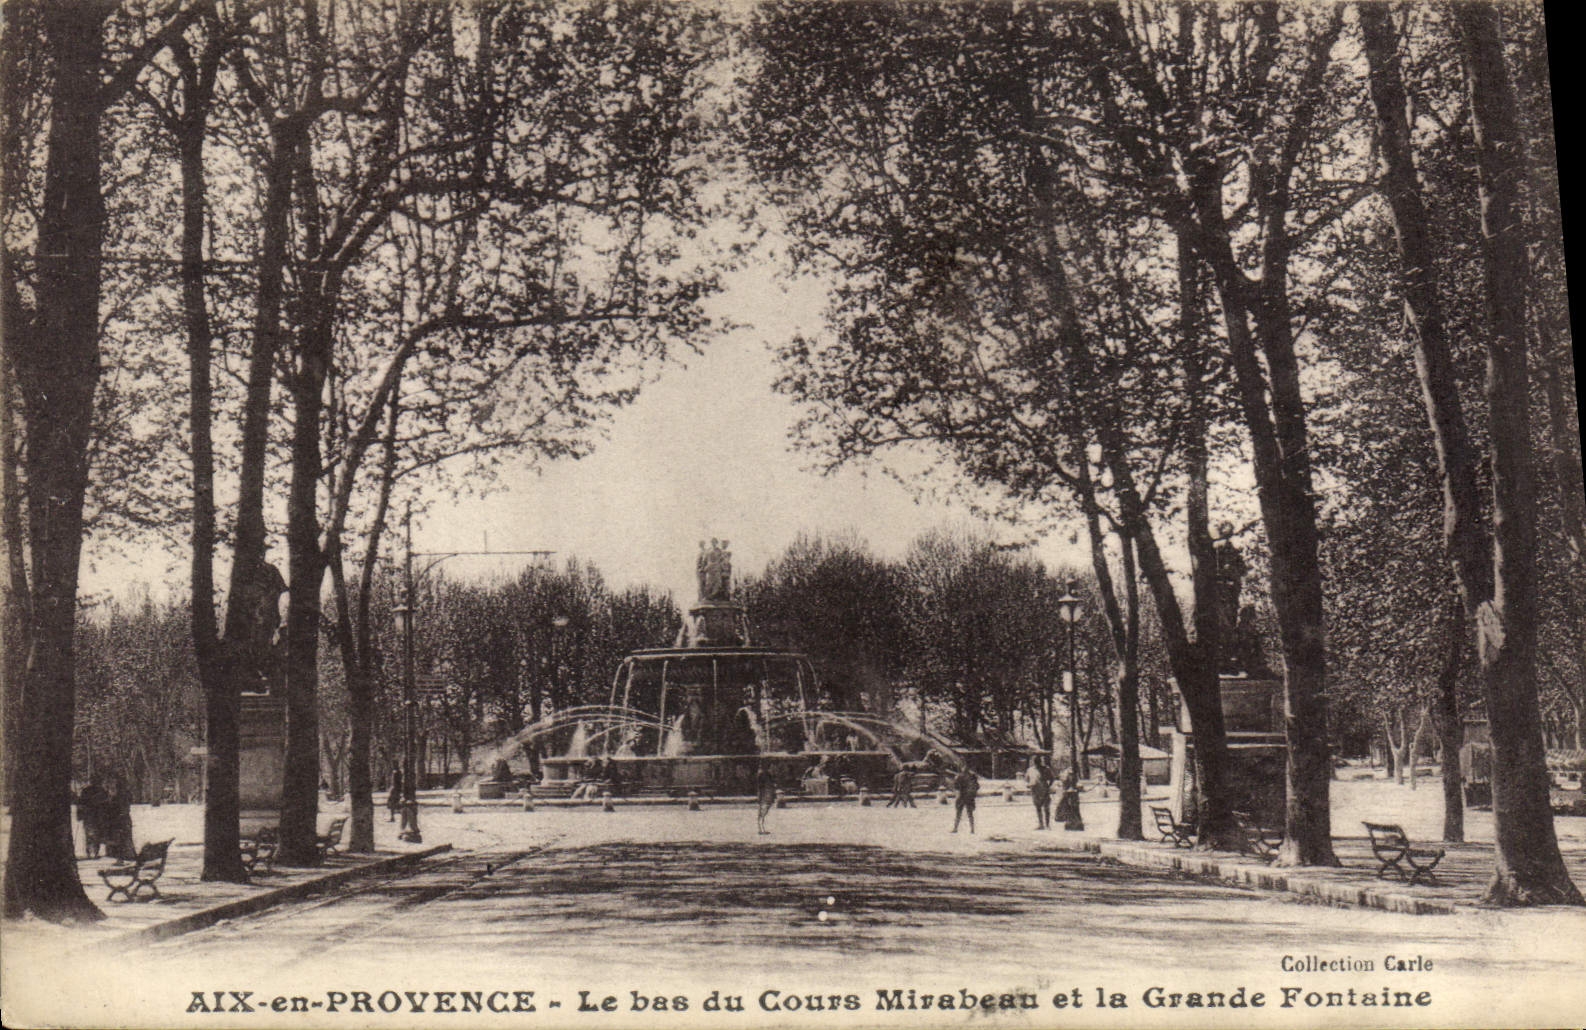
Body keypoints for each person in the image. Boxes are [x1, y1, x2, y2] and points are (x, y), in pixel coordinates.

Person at [103, 774, 136, 861]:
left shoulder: (120, 795)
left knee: (121, 840)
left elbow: (121, 807)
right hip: (118, 820)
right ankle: (122, 856)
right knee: (119, 839)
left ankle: (123, 857)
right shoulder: (117, 794)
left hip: (120, 820)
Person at [77, 775, 107, 858]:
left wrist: (79, 814)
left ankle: (91, 852)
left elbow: (80, 804)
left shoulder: (87, 791)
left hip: (93, 816)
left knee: (91, 834)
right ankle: (93, 852)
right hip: (94, 816)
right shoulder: (101, 791)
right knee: (94, 834)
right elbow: (80, 804)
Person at [950, 766, 979, 834]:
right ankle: (972, 829)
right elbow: (977, 786)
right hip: (969, 797)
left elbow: (955, 787)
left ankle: (955, 828)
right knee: (970, 814)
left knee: (958, 813)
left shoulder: (959, 776)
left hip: (961, 797)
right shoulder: (972, 777)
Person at [1027, 757, 1052, 830]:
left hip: (1044, 791)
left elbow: (1051, 778)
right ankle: (1041, 824)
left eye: (1038, 762)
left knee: (1046, 808)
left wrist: (1048, 786)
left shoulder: (1046, 769)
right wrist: (1030, 784)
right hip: (1035, 791)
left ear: (1040, 762)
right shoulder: (1030, 770)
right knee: (1038, 807)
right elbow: (1027, 779)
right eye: (1035, 762)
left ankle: (1047, 825)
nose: (1037, 763)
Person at [755, 764, 777, 835]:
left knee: (762, 813)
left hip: (766, 797)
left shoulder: (767, 778)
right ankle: (761, 829)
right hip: (765, 798)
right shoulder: (765, 777)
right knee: (762, 813)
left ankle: (761, 829)